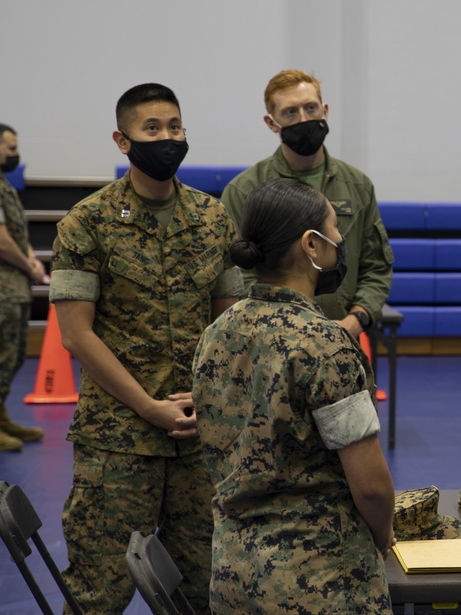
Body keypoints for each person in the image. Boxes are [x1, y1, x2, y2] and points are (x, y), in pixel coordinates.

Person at [49, 84, 243, 614]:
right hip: (118, 442)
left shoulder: (213, 219)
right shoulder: (85, 223)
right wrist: (148, 406)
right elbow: (76, 334)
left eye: (174, 127)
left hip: (198, 437)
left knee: (204, 589)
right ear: (123, 139)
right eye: (152, 129)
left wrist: (208, 398)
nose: (167, 138)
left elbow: (230, 322)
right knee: (99, 592)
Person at [192, 177, 395, 614]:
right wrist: (381, 537)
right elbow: (372, 488)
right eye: (335, 230)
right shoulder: (326, 344)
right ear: (312, 245)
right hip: (321, 583)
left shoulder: (217, 333)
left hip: (233, 577)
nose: (341, 241)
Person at [221, 69, 393, 338]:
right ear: (271, 122)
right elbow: (237, 272)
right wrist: (286, 323)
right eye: (290, 112)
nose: (303, 119)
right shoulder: (245, 190)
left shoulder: (358, 185)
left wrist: (356, 319)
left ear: (324, 110)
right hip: (271, 339)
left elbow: (376, 267)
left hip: (344, 335)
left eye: (310, 108)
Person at [0, 123, 47, 452]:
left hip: (12, 285)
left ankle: (1, 417)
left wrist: (31, 259)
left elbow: (15, 235)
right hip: (3, 288)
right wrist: (25, 263)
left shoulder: (4, 186)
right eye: (11, 148)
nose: (16, 155)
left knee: (13, 356)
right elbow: (2, 242)